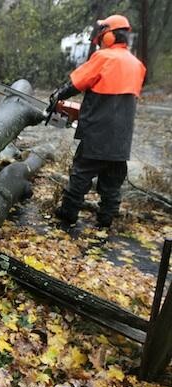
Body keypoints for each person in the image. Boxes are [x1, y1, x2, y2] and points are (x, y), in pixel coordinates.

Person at [51, 14, 146, 228]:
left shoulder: (104, 58)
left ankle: (68, 215)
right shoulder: (137, 65)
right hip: (121, 137)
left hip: (97, 132)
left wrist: (59, 96)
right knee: (112, 183)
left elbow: (77, 83)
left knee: (80, 174)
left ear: (110, 36)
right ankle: (105, 221)